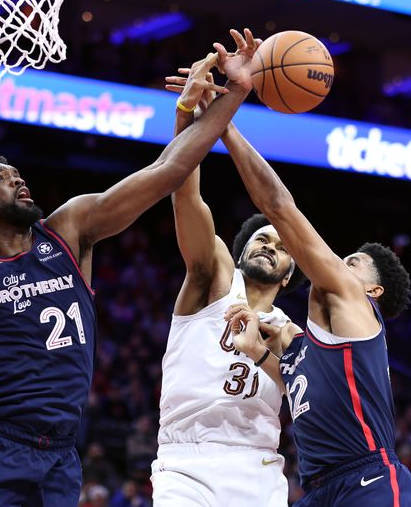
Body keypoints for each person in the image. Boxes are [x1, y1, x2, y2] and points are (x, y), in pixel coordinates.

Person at [0, 28, 260, 507]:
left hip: (60, 456)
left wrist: (237, 93)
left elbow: (168, 171)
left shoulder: (70, 230)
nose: (17, 179)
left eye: (17, 174)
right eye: (0, 178)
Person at [220, 121, 411, 505]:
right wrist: (257, 353)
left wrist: (225, 127)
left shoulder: (352, 301)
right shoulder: (306, 340)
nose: (339, 264)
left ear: (372, 291)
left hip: (369, 479)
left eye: (352, 262)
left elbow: (277, 206)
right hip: (318, 490)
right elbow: (300, 380)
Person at [151, 49, 306, 506]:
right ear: (241, 251)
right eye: (261, 238)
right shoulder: (215, 278)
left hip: (258, 465)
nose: (268, 245)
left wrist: (265, 351)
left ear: (292, 272)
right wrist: (189, 116)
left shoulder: (291, 332)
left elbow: (309, 401)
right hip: (187, 460)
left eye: (280, 246)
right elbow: (184, 195)